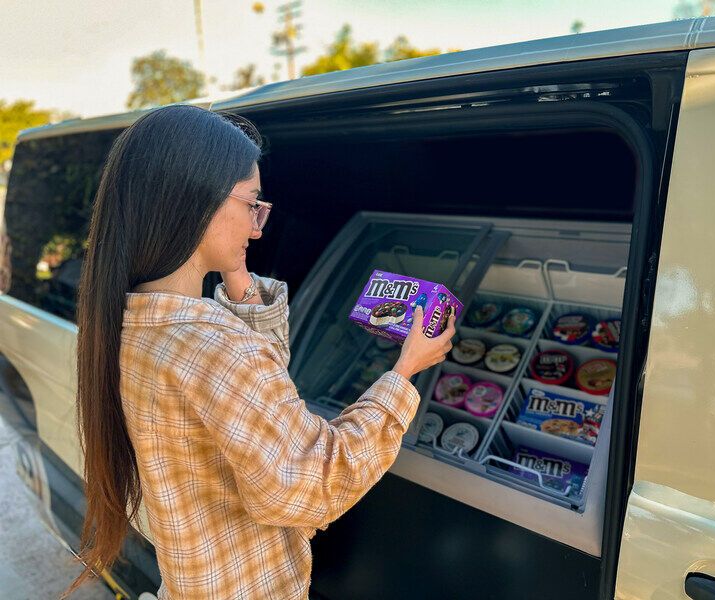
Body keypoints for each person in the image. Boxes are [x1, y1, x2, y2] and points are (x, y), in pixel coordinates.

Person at [65, 104, 455, 599]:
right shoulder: (213, 346)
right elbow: (316, 480)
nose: (258, 227)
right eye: (252, 204)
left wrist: (238, 280)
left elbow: (250, 403)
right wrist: (406, 370)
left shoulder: (132, 320)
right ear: (197, 203)